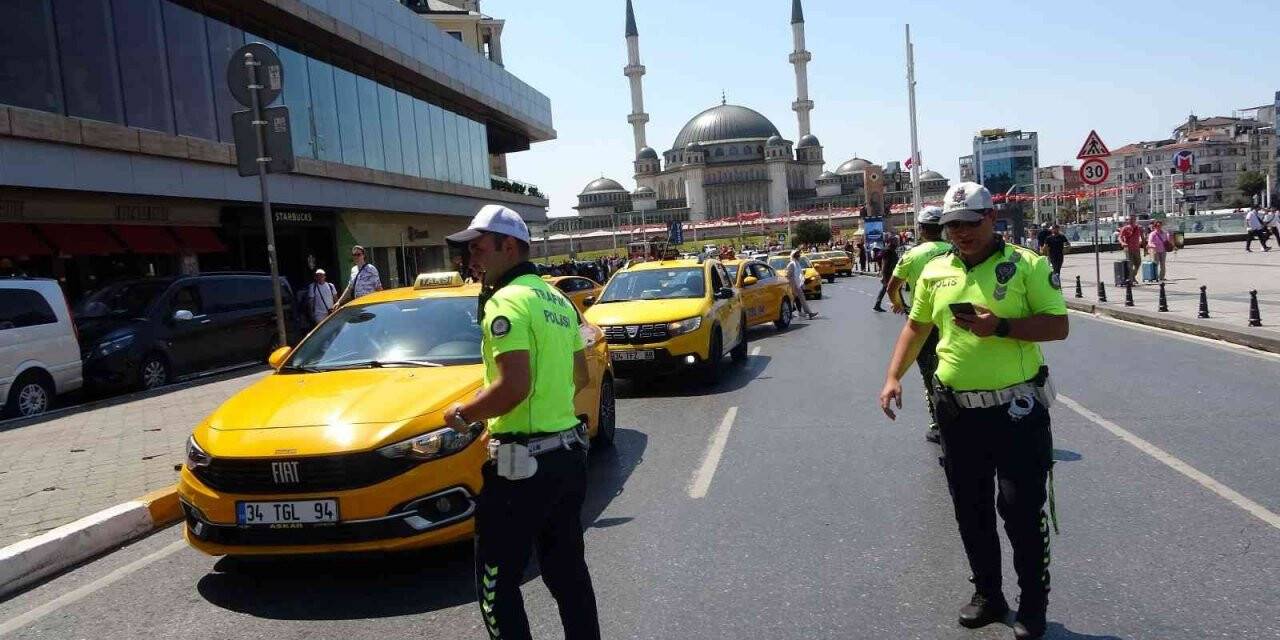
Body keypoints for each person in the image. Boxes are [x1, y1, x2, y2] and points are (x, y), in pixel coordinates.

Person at [879, 182, 1068, 640]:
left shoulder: (1026, 265)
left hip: (1017, 410)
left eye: (968, 223)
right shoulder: (936, 271)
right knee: (971, 509)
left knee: (1021, 511)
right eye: (951, 225)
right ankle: (988, 593)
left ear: (991, 218)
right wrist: (892, 377)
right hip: (958, 413)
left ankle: (1033, 603)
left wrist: (999, 326)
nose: (960, 232)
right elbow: (916, 326)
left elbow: (1058, 325)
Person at [444, 204, 601, 640]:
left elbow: (513, 387)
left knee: (495, 587)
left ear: (508, 246)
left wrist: (462, 413)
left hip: (520, 468)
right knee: (568, 575)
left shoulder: (506, 301)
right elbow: (581, 376)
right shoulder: (557, 299)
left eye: (477, 249)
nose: (470, 260)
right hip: (567, 459)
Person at [885, 206, 952, 443]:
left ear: (921, 230)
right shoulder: (955, 250)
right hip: (954, 320)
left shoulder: (911, 255)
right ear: (943, 229)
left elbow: (892, 287)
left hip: (922, 320)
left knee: (929, 372)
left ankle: (938, 423)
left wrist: (900, 305)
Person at [786, 249, 819, 320]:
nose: (799, 257)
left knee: (801, 298)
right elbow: (789, 275)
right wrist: (793, 284)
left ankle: (808, 313)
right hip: (793, 284)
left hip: (797, 284)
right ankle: (790, 314)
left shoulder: (797, 264)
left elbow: (798, 274)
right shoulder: (791, 264)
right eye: (798, 256)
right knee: (792, 299)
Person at [872, 236, 900, 312]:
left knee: (893, 287)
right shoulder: (887, 250)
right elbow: (882, 261)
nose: (897, 243)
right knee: (888, 288)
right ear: (891, 242)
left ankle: (878, 305)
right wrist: (883, 274)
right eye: (895, 241)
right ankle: (878, 305)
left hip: (892, 272)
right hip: (888, 273)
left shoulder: (891, 250)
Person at [1117, 216, 1144, 285]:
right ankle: (1131, 280)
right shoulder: (1125, 228)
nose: (1131, 220)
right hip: (1128, 248)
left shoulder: (1139, 227)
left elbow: (1142, 237)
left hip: (1136, 248)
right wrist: (1122, 243)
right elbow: (1120, 237)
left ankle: (1132, 276)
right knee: (1130, 264)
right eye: (1130, 219)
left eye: (1133, 219)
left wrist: (1144, 246)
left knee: (1138, 263)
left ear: (1135, 220)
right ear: (1127, 221)